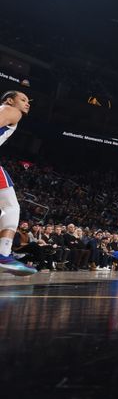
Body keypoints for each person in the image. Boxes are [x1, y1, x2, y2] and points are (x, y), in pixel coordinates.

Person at [0, 90, 36, 276]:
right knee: (11, 206)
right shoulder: (12, 111)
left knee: (10, 205)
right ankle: (3, 254)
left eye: (28, 100)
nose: (27, 103)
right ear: (9, 100)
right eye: (22, 99)